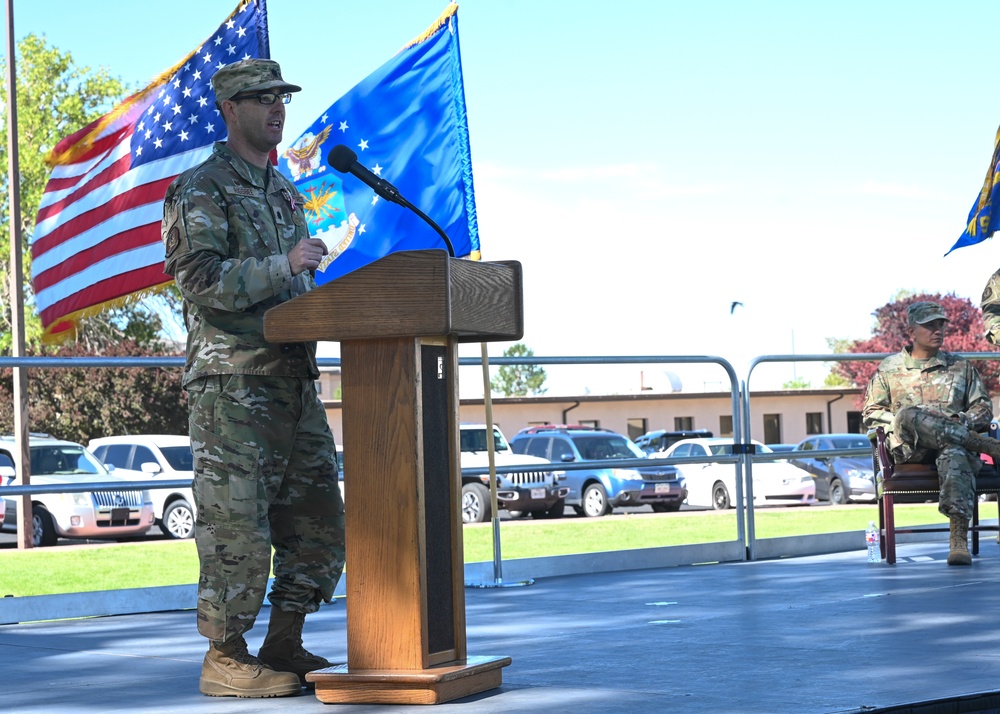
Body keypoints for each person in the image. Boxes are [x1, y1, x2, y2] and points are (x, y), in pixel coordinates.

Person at [161, 58, 345, 698]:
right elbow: (199, 281)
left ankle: (284, 641)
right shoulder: (201, 189)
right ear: (228, 109)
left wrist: (319, 282)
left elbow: (298, 282)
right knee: (237, 528)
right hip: (233, 387)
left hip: (294, 382)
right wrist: (283, 263)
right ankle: (225, 657)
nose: (277, 108)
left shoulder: (284, 192)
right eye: (260, 98)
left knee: (318, 521)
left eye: (281, 98)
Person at [862, 301, 1000, 566]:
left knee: (956, 452)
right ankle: (981, 443)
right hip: (908, 447)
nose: (938, 330)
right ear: (912, 330)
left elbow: (983, 407)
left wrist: (961, 419)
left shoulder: (961, 367)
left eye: (941, 325)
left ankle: (958, 540)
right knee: (908, 415)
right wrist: (908, 420)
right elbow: (872, 412)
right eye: (929, 325)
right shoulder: (889, 369)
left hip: (950, 446)